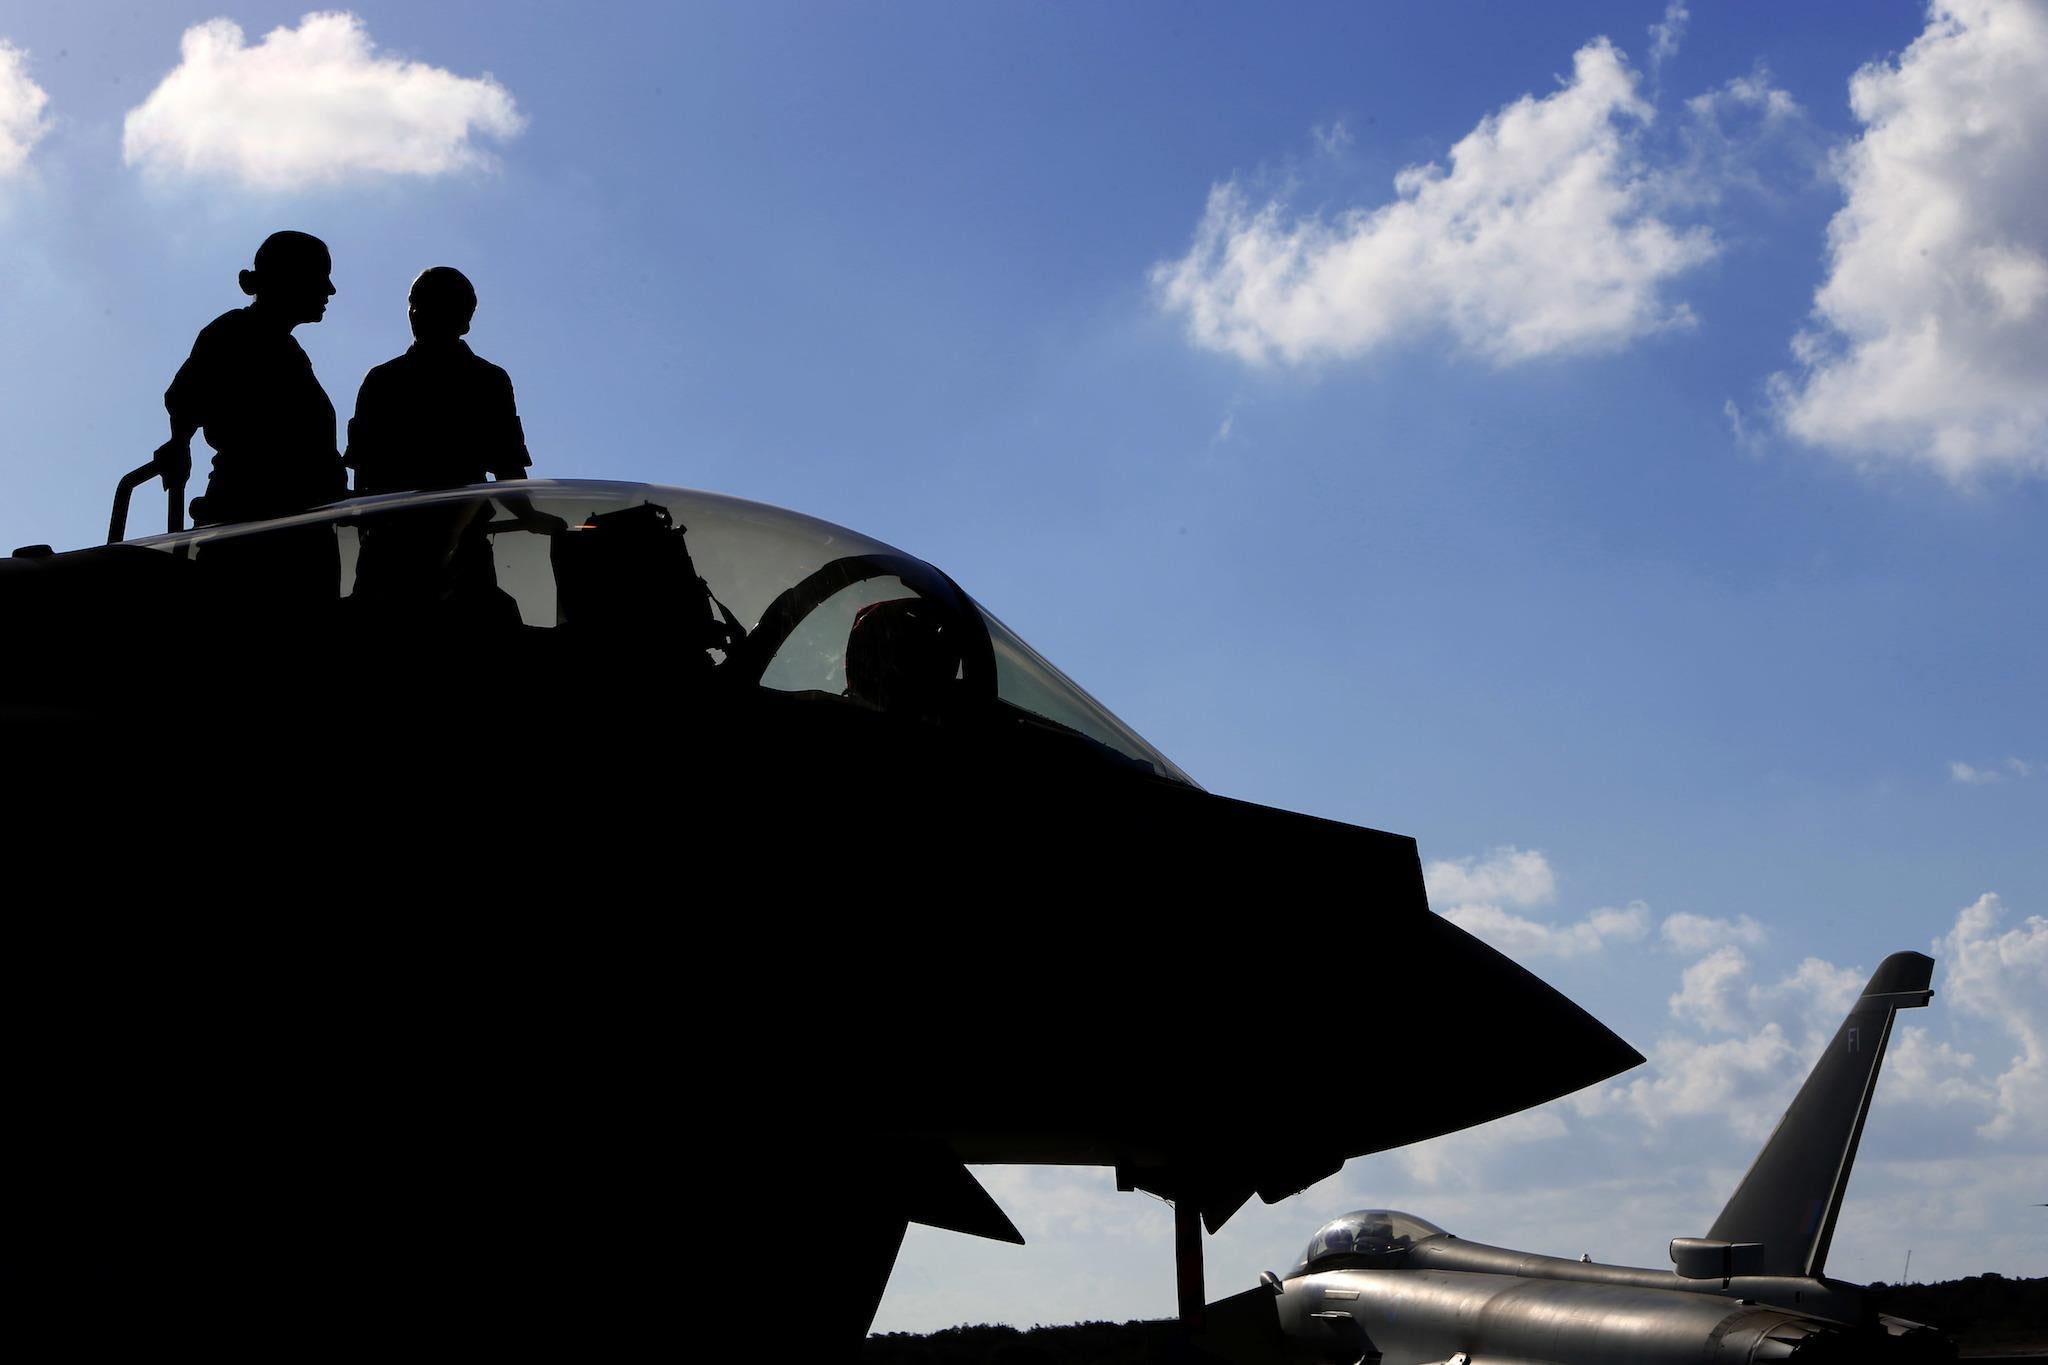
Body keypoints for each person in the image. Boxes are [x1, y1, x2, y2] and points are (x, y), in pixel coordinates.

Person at [344, 267, 554, 624]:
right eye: (415, 303)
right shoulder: (382, 380)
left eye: (433, 304)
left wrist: (529, 516)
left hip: (461, 545)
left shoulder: (487, 380)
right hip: (389, 551)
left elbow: (507, 467)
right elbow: (365, 473)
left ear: (464, 321)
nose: (417, 313)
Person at [158, 231, 345, 525]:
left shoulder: (290, 351)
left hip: (302, 524)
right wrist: (179, 444)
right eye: (320, 276)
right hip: (258, 526)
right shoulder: (234, 333)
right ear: (289, 279)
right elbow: (185, 397)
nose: (330, 289)